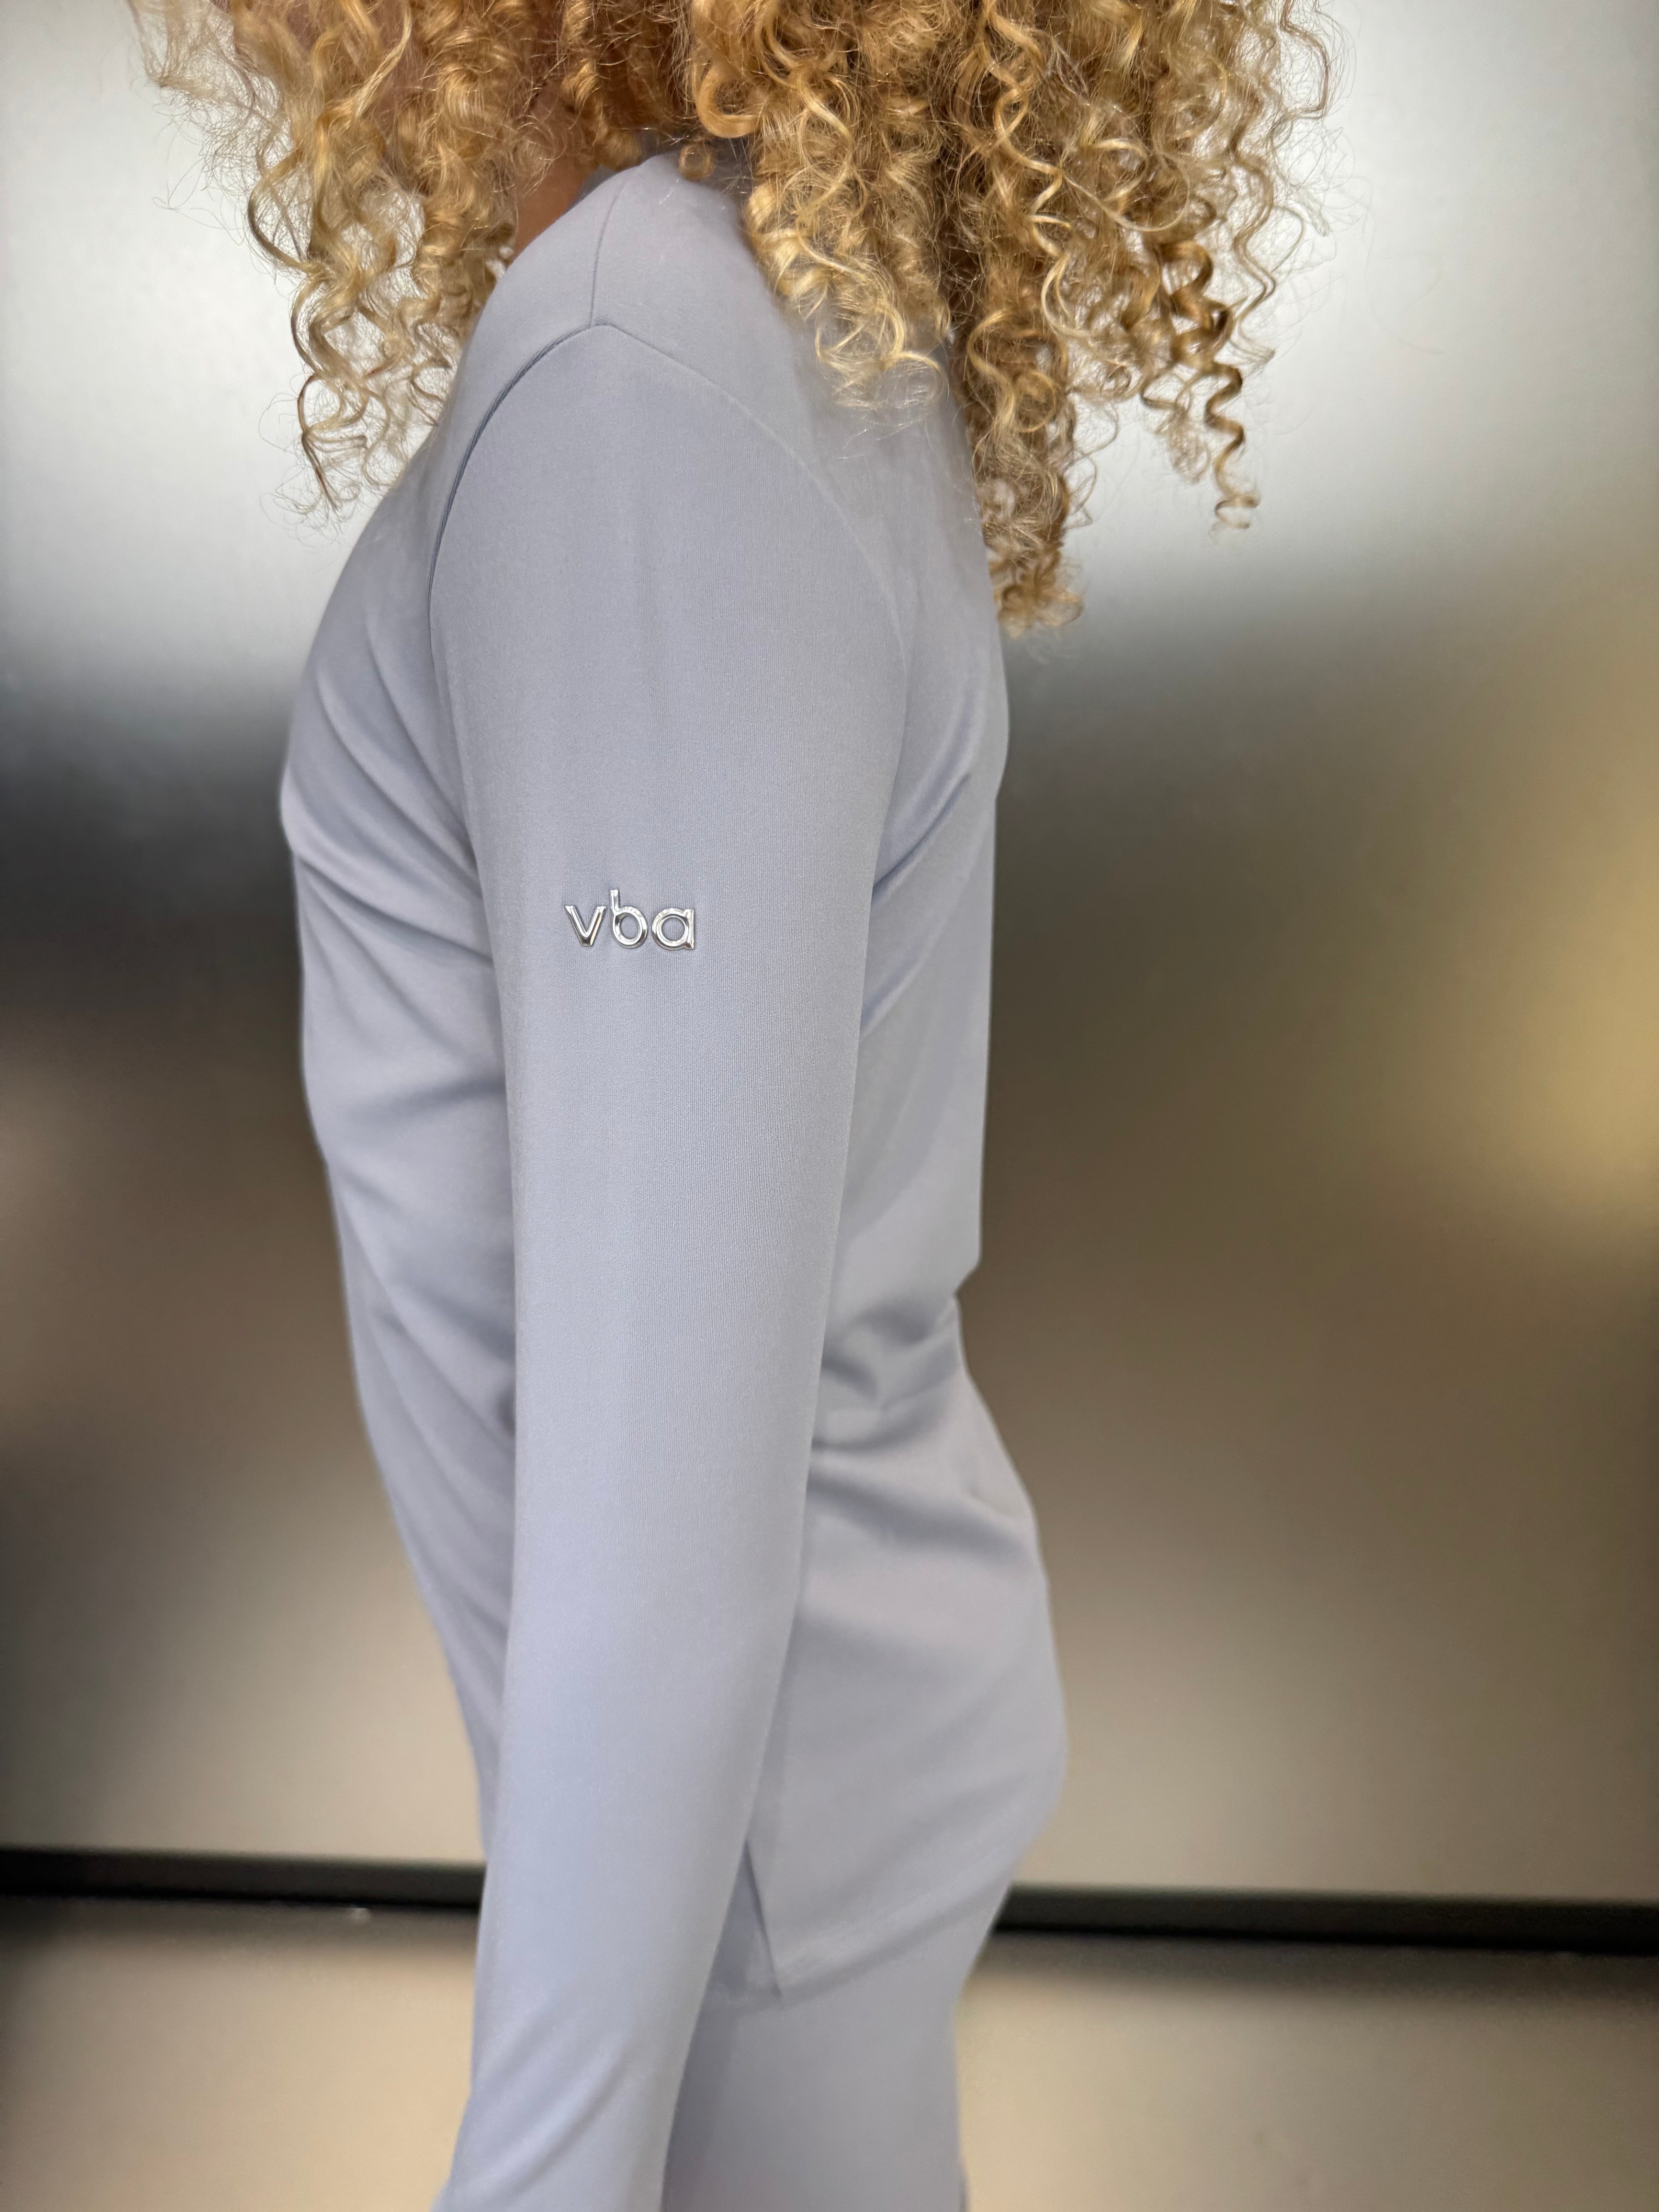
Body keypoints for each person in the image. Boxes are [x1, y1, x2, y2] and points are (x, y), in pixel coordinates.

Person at [135, 4, 1334, 2206]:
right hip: (779, 1835)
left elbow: (663, 1537)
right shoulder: (742, 302)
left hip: (739, 1874)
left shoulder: (640, 383)